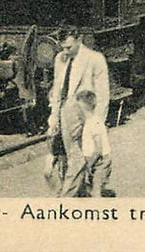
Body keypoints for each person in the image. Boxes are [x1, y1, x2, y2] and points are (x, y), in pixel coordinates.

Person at [48, 29, 110, 198]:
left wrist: (97, 122)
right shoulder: (60, 59)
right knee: (70, 157)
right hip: (65, 113)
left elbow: (103, 95)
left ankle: (67, 197)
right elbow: (57, 88)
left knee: (81, 157)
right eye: (63, 47)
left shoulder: (95, 59)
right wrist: (54, 116)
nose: (65, 51)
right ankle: (80, 191)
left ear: (79, 40)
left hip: (85, 114)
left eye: (69, 47)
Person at [76, 90, 114, 197]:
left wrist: (88, 165)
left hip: (99, 162)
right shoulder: (91, 122)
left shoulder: (94, 123)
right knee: (94, 189)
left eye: (78, 108)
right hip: (95, 161)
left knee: (96, 192)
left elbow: (98, 149)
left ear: (83, 108)